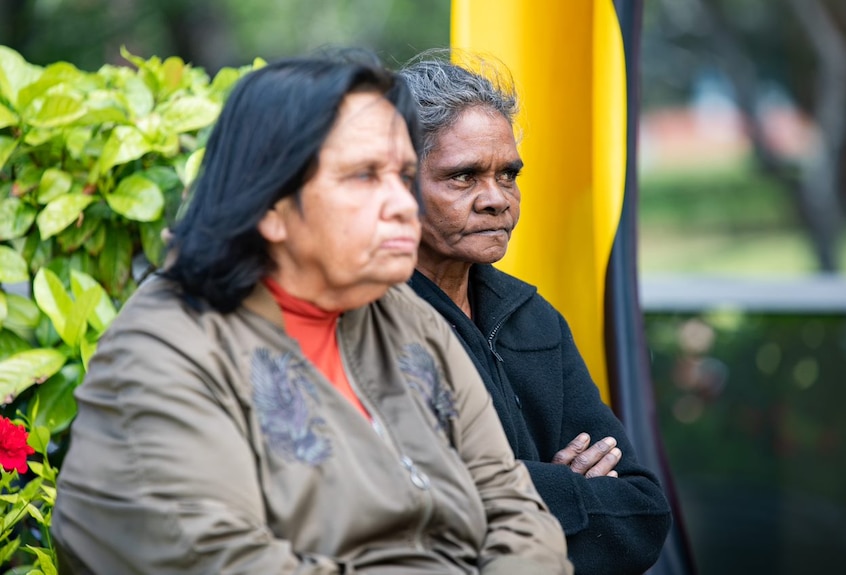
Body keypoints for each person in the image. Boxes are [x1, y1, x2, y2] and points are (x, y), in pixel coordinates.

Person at [51, 52, 573, 575]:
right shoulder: (163, 350)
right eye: (366, 176)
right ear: (270, 206)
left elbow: (517, 511)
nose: (401, 203)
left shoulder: (409, 320)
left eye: (405, 175)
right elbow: (217, 559)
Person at [401, 53, 672, 575]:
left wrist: (510, 492)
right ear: (399, 183)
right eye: (463, 177)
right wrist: (572, 489)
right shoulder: (365, 318)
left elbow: (643, 510)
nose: (497, 199)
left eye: (509, 174)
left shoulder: (531, 316)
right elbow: (412, 506)